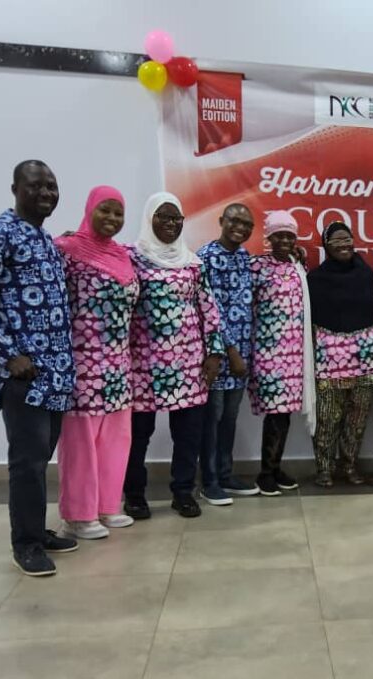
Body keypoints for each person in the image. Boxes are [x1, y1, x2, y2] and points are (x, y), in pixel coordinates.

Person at [0, 160, 78, 576]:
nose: (45, 193)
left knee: (39, 460)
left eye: (51, 186)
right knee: (26, 462)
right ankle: (25, 544)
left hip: (54, 374)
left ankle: (36, 530)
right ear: (15, 189)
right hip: (23, 374)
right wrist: (8, 354)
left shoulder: (45, 240)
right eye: (35, 185)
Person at [123, 193, 224, 519]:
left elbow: (209, 310)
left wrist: (214, 353)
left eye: (176, 218)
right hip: (143, 363)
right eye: (163, 216)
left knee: (188, 435)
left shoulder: (193, 262)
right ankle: (134, 495)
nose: (170, 223)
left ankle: (183, 492)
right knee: (138, 435)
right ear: (149, 218)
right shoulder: (130, 257)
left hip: (188, 363)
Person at [55, 186, 140, 539]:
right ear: (89, 210)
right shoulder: (67, 250)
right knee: (81, 440)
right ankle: (78, 514)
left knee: (116, 438)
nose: (112, 218)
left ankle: (107, 505)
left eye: (118, 213)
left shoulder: (123, 255)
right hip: (83, 362)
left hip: (119, 363)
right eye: (105, 210)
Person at [307, 221, 373, 487]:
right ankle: (324, 468)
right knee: (328, 417)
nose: (343, 245)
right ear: (326, 246)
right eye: (336, 241)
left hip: (365, 357)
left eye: (347, 239)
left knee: (357, 418)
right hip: (330, 359)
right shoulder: (315, 279)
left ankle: (349, 465)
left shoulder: (366, 274)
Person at [249, 210, 315, 495]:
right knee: (275, 414)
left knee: (284, 414)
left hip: (295, 356)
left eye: (290, 236)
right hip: (268, 354)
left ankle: (274, 468)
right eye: (279, 236)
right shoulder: (257, 267)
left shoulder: (298, 266)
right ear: (269, 237)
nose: (285, 241)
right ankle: (265, 473)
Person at [197, 203, 258, 505]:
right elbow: (211, 310)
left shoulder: (245, 257)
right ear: (221, 221)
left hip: (241, 356)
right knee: (213, 419)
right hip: (218, 356)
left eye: (247, 224)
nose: (240, 228)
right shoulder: (206, 258)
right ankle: (209, 481)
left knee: (230, 419)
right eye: (235, 221)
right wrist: (231, 351)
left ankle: (225, 474)